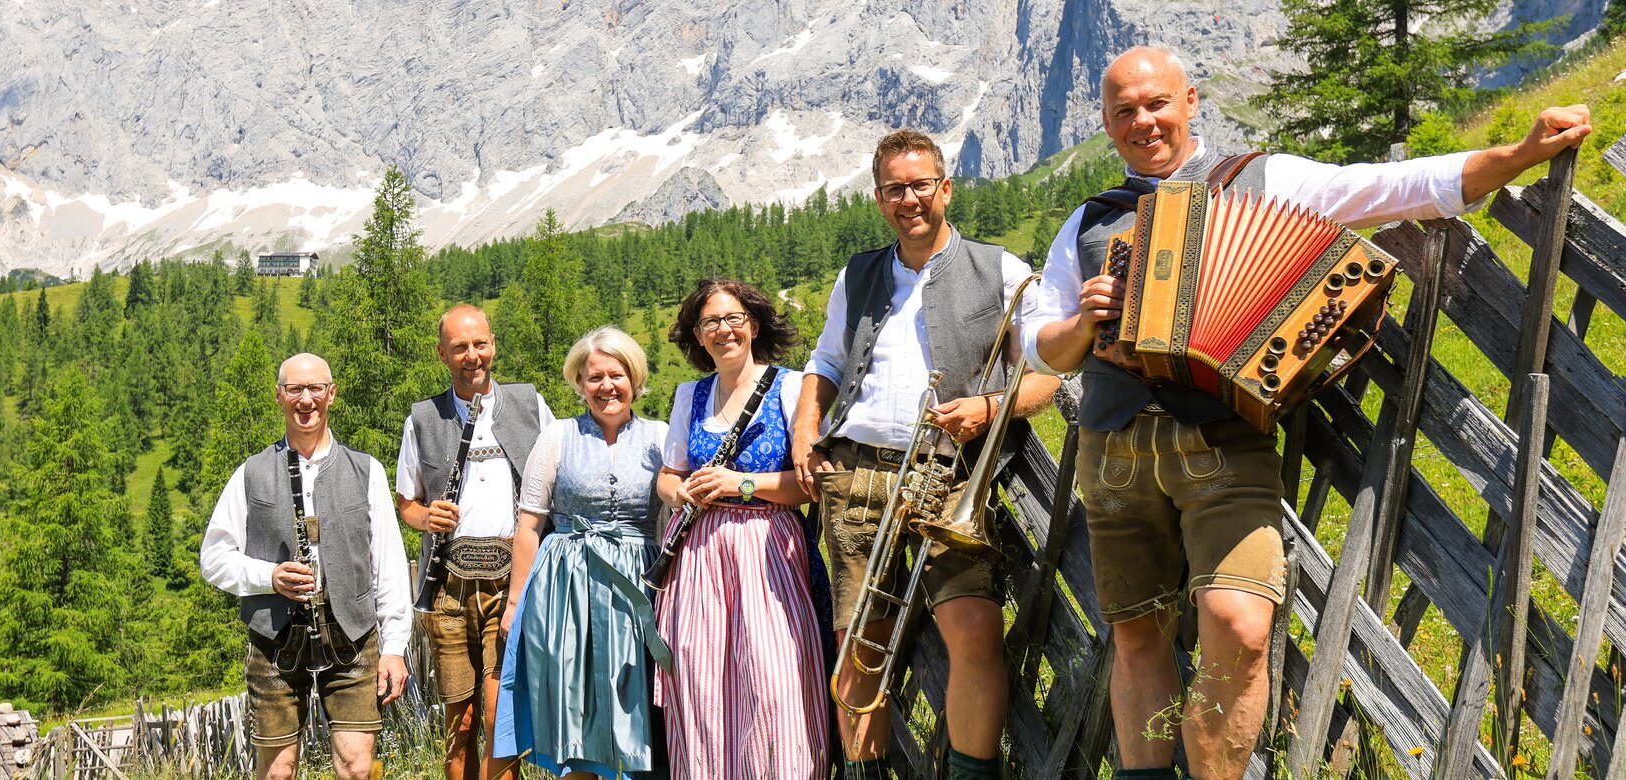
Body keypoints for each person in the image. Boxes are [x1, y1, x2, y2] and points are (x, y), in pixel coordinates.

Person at [1021, 46, 1593, 780]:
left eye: (1157, 103)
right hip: (1115, 449)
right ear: (1106, 122)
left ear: (1190, 102)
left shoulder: (1266, 179)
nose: (1144, 122)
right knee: (1137, 636)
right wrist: (1081, 324)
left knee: (1241, 626)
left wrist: (1515, 155)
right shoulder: (1089, 220)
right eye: (1124, 110)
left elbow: (1392, 187)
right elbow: (1041, 347)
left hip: (1225, 438)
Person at [791, 129, 1061, 780]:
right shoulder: (857, 274)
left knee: (974, 630)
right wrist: (805, 433)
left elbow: (1048, 375)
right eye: (894, 189)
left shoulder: (1001, 268)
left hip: (951, 475)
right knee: (859, 644)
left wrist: (988, 409)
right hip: (857, 473)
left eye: (920, 185)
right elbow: (825, 362)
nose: (908, 200)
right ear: (878, 199)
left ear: (946, 189)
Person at [199, 353, 413, 780]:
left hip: (353, 636)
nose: (306, 399)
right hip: (275, 640)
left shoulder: (366, 471)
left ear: (331, 394)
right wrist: (269, 577)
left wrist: (394, 647)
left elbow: (388, 565)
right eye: (294, 389)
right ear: (279, 396)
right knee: (278, 771)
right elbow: (214, 558)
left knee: (357, 767)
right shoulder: (251, 473)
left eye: (315, 388)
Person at [654, 279, 830, 778]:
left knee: (775, 684)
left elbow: (812, 484)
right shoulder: (690, 396)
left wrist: (741, 483)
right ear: (698, 335)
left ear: (753, 325)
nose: (723, 330)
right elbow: (668, 477)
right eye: (710, 322)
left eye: (733, 318)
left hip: (769, 552)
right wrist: (682, 493)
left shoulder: (791, 387)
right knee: (703, 683)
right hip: (700, 558)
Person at [494, 327, 672, 779]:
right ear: (579, 382)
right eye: (595, 377)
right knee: (576, 715)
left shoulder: (661, 437)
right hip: (566, 592)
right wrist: (515, 603)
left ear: (635, 378)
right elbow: (529, 524)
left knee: (638, 713)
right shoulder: (557, 435)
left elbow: (674, 520)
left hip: (638, 591)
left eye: (616, 375)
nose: (606, 386)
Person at [397, 304, 555, 780]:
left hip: (513, 580)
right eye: (460, 347)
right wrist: (427, 517)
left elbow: (558, 484)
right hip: (448, 585)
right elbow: (407, 504)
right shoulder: (422, 418)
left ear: (493, 345)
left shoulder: (530, 404)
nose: (472, 356)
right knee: (460, 722)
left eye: (480, 344)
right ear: (442, 353)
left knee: (496, 714)